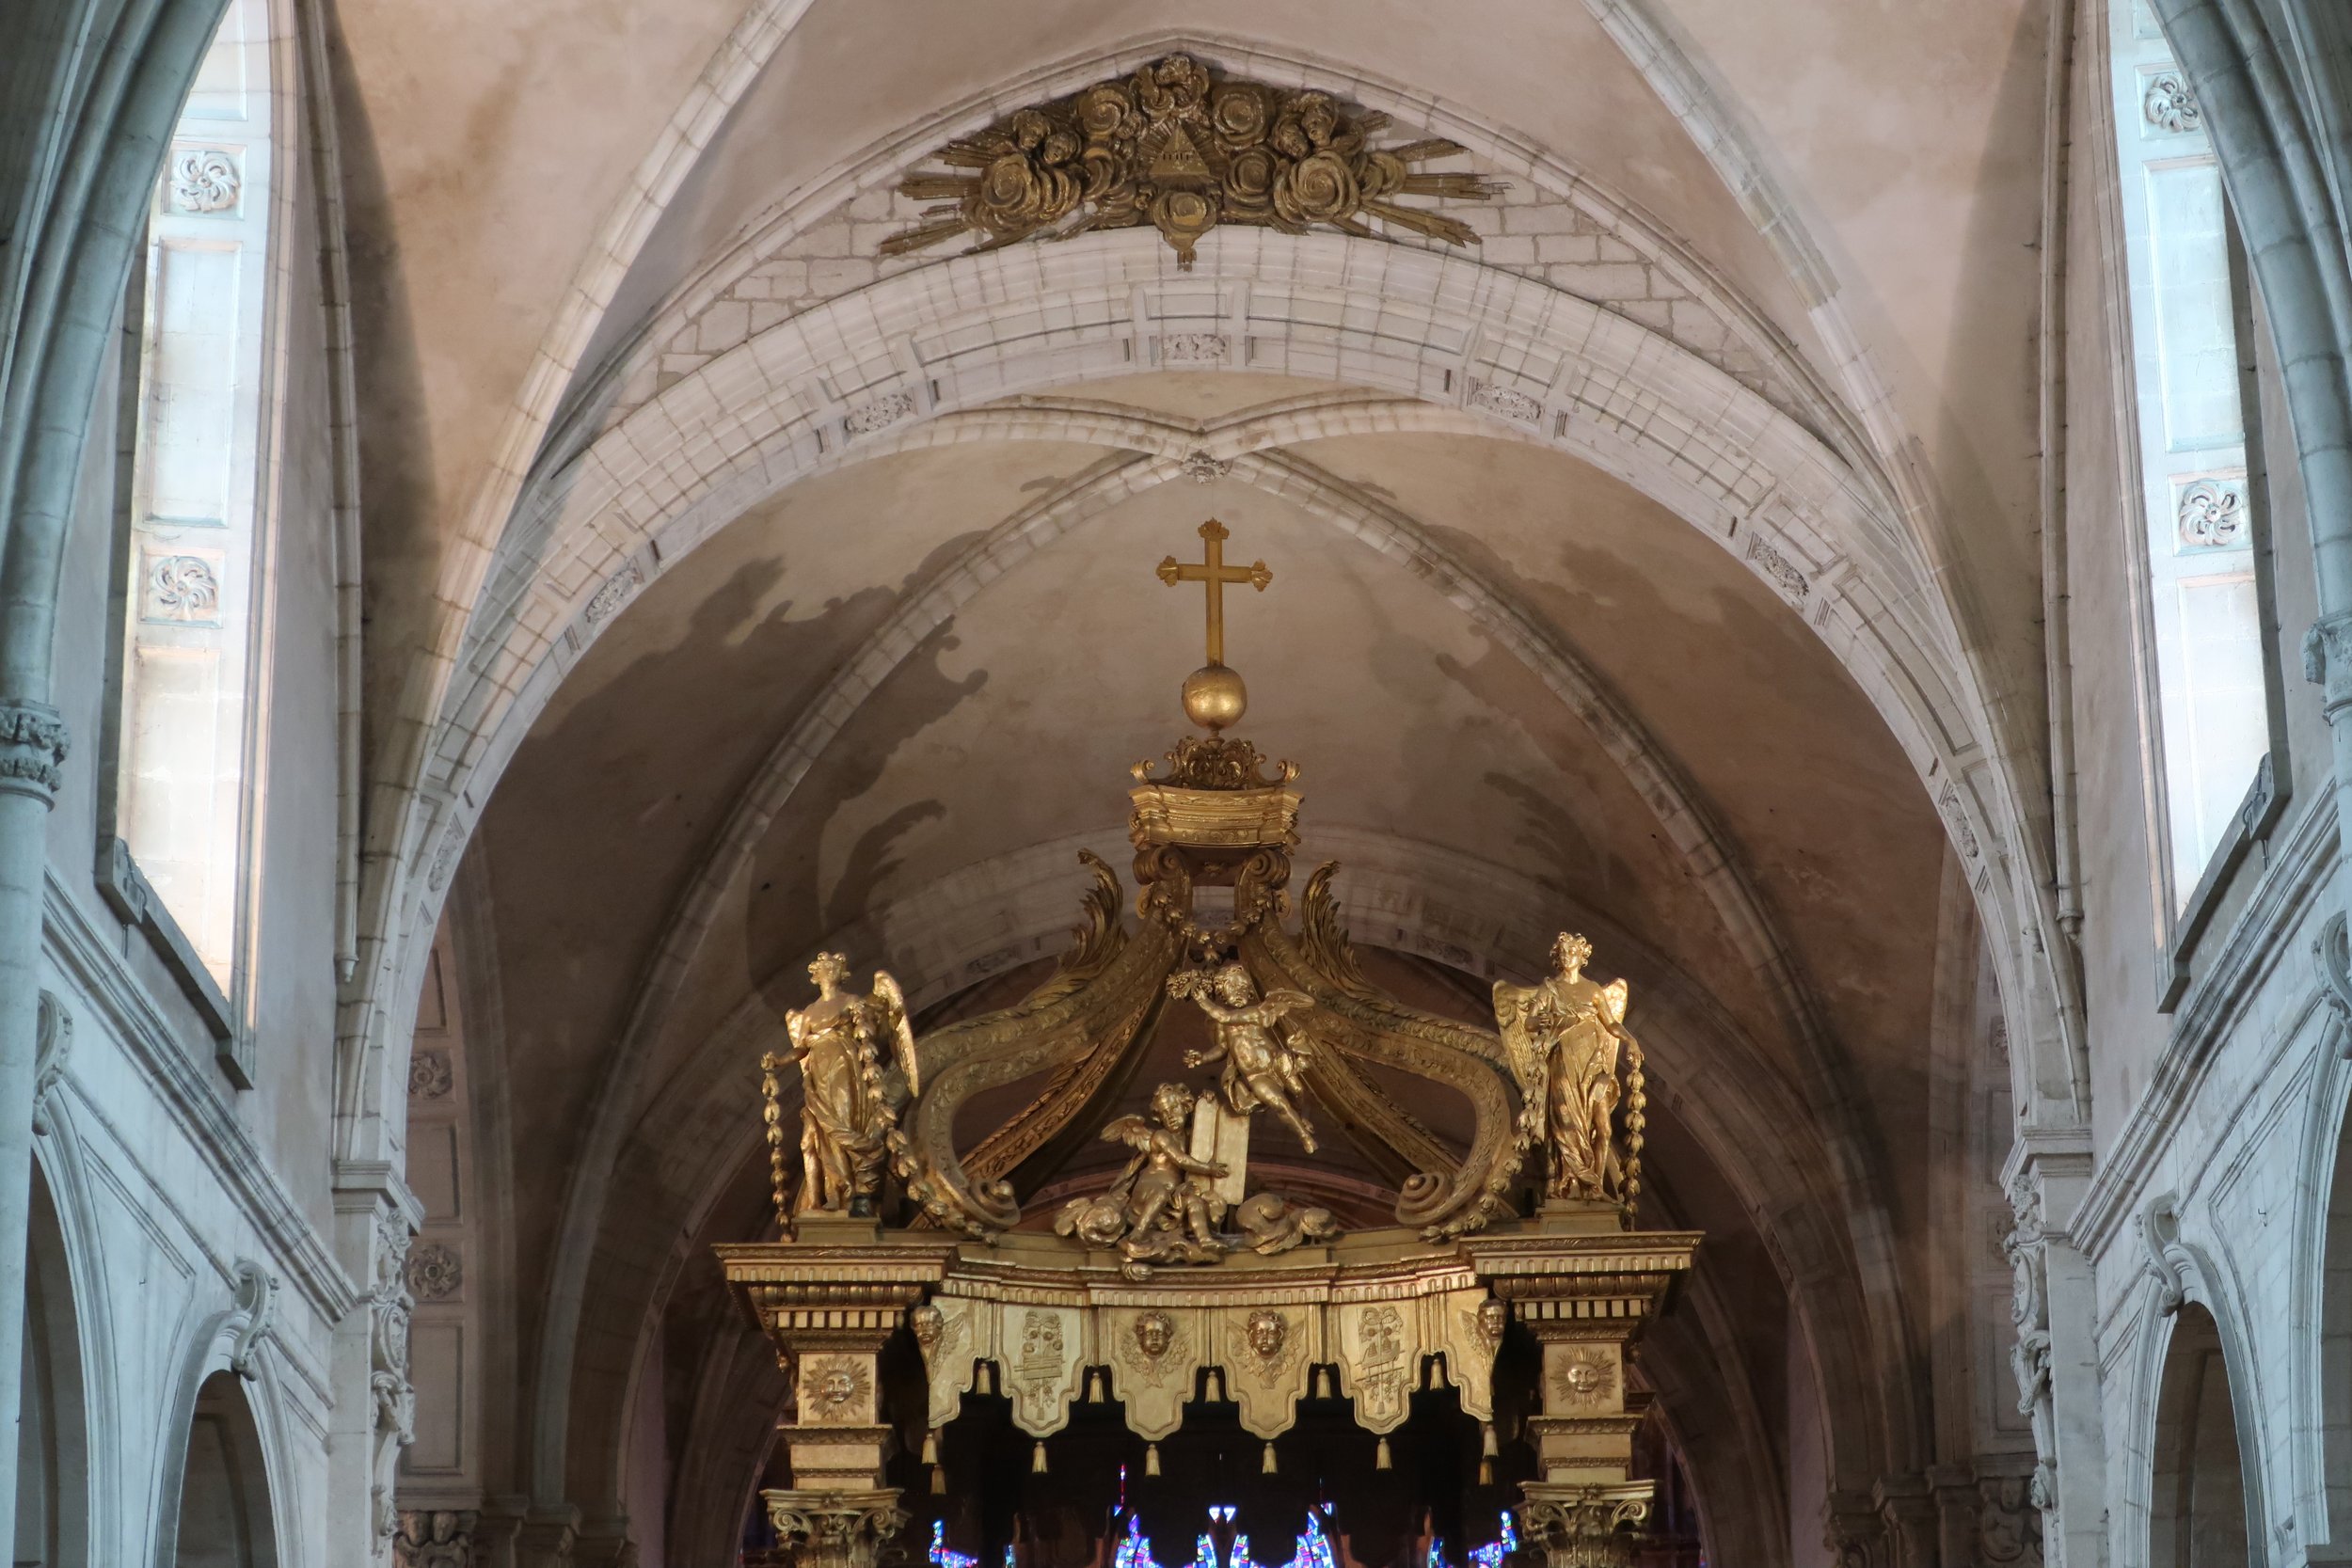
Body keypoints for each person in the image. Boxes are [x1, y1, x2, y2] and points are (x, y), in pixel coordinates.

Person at [1171, 960, 1320, 1152]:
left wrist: (1203, 1001)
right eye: (1232, 986)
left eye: (1243, 987)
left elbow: (1226, 1017)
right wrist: (1203, 1058)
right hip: (1254, 1075)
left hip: (1276, 1062)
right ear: (1222, 990)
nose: (1239, 991)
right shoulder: (1221, 1023)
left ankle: (1300, 1116)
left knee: (1298, 1090)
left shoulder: (1255, 1012)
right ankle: (1304, 1136)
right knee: (1279, 1104)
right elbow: (1223, 1048)